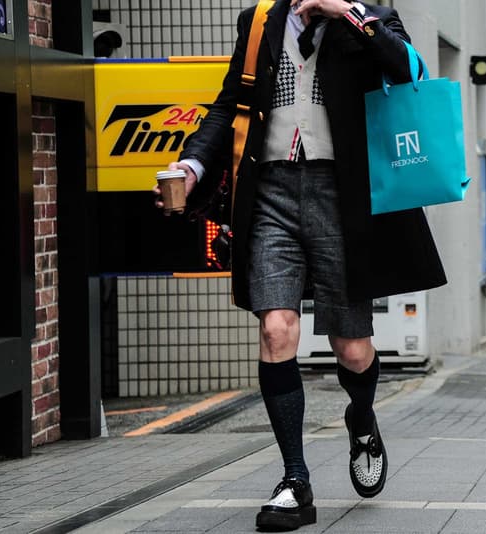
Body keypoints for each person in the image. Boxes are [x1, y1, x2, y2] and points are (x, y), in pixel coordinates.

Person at [155, 1, 447, 530]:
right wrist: (193, 163)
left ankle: (361, 419)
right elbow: (229, 106)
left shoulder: (370, 16)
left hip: (343, 195)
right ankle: (295, 479)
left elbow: (408, 70)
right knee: (276, 328)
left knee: (353, 348)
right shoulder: (259, 20)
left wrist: (351, 15)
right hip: (270, 193)